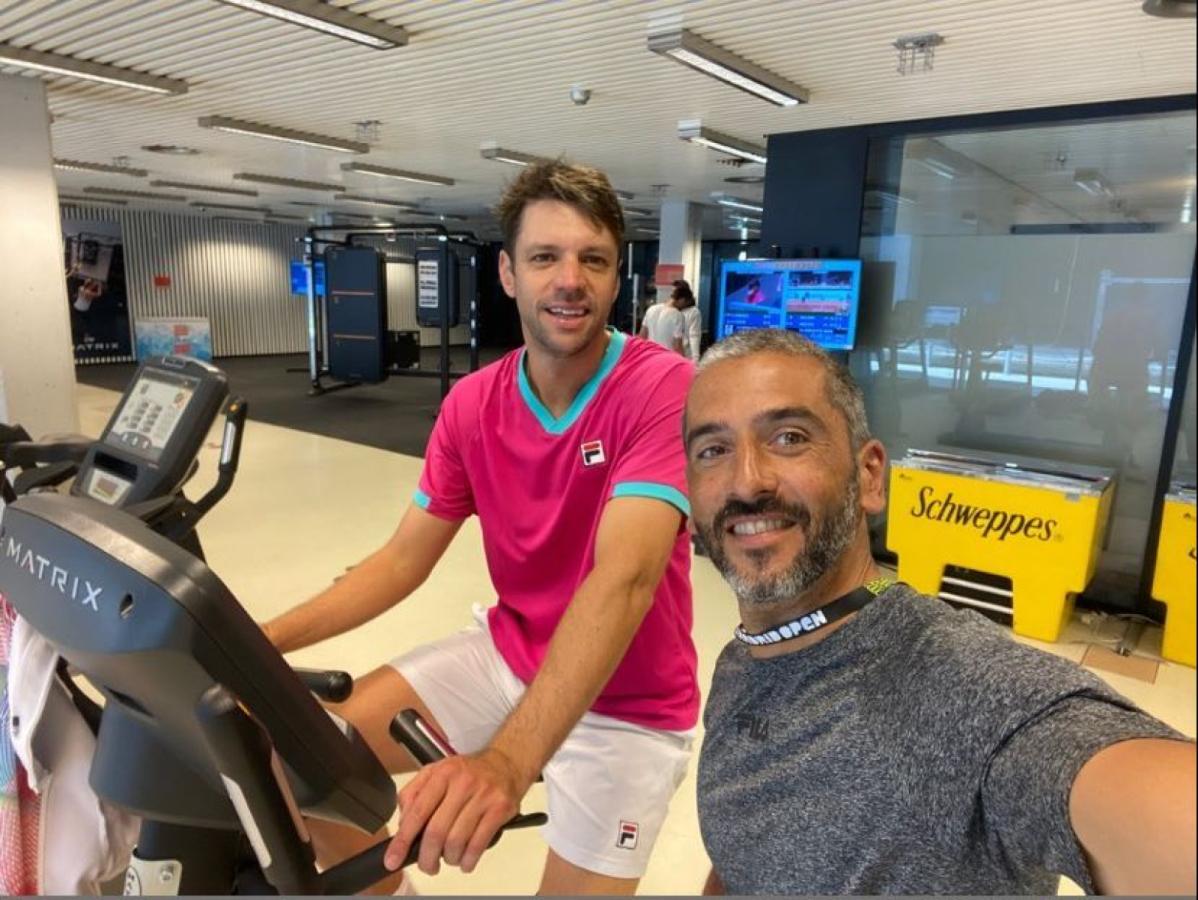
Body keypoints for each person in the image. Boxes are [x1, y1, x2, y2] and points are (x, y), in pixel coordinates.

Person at [263, 159, 698, 895]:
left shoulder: (661, 389)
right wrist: (253, 646)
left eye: (593, 259)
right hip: (507, 654)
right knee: (295, 757)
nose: (570, 279)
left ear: (615, 275)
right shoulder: (472, 404)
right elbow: (401, 561)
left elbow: (623, 581)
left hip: (629, 704)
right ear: (507, 274)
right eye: (544, 257)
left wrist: (506, 761)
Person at [683, 327, 1196, 895]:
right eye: (713, 450)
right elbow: (748, 858)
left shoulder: (966, 689)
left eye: (789, 437)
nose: (747, 480)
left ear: (870, 475)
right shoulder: (743, 659)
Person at [639, 286, 685, 354]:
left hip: (651, 355)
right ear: (682, 300)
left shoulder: (651, 309)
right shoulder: (678, 315)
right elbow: (677, 346)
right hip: (667, 358)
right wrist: (685, 362)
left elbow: (642, 337)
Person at [671, 280, 702, 362]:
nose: (672, 299)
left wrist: (695, 360)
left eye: (675, 296)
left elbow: (694, 336)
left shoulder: (693, 312)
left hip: (685, 357)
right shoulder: (671, 311)